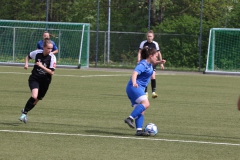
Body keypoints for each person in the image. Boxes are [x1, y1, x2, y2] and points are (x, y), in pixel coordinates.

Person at [124, 47, 166, 136]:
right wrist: (134, 82)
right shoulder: (143, 64)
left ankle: (139, 131)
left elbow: (154, 62)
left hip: (135, 88)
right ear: (150, 56)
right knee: (146, 103)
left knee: (141, 110)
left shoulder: (149, 63)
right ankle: (130, 118)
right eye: (156, 56)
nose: (157, 58)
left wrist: (159, 62)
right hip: (134, 87)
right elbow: (135, 73)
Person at [19, 38, 57, 123]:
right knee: (34, 96)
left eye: (51, 48)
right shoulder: (37, 53)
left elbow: (51, 72)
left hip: (45, 81)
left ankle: (25, 111)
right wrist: (26, 64)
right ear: (43, 47)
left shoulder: (52, 57)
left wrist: (41, 66)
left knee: (37, 100)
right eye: (48, 48)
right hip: (35, 78)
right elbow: (28, 56)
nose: (50, 50)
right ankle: (24, 113)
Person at [137, 30, 164, 99]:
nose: (149, 37)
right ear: (146, 36)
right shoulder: (143, 43)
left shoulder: (155, 44)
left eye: (150, 36)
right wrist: (138, 60)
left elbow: (159, 53)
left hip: (153, 62)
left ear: (153, 37)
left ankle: (153, 93)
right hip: (145, 62)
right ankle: (145, 92)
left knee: (153, 76)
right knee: (145, 76)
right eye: (148, 36)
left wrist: (161, 63)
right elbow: (139, 52)